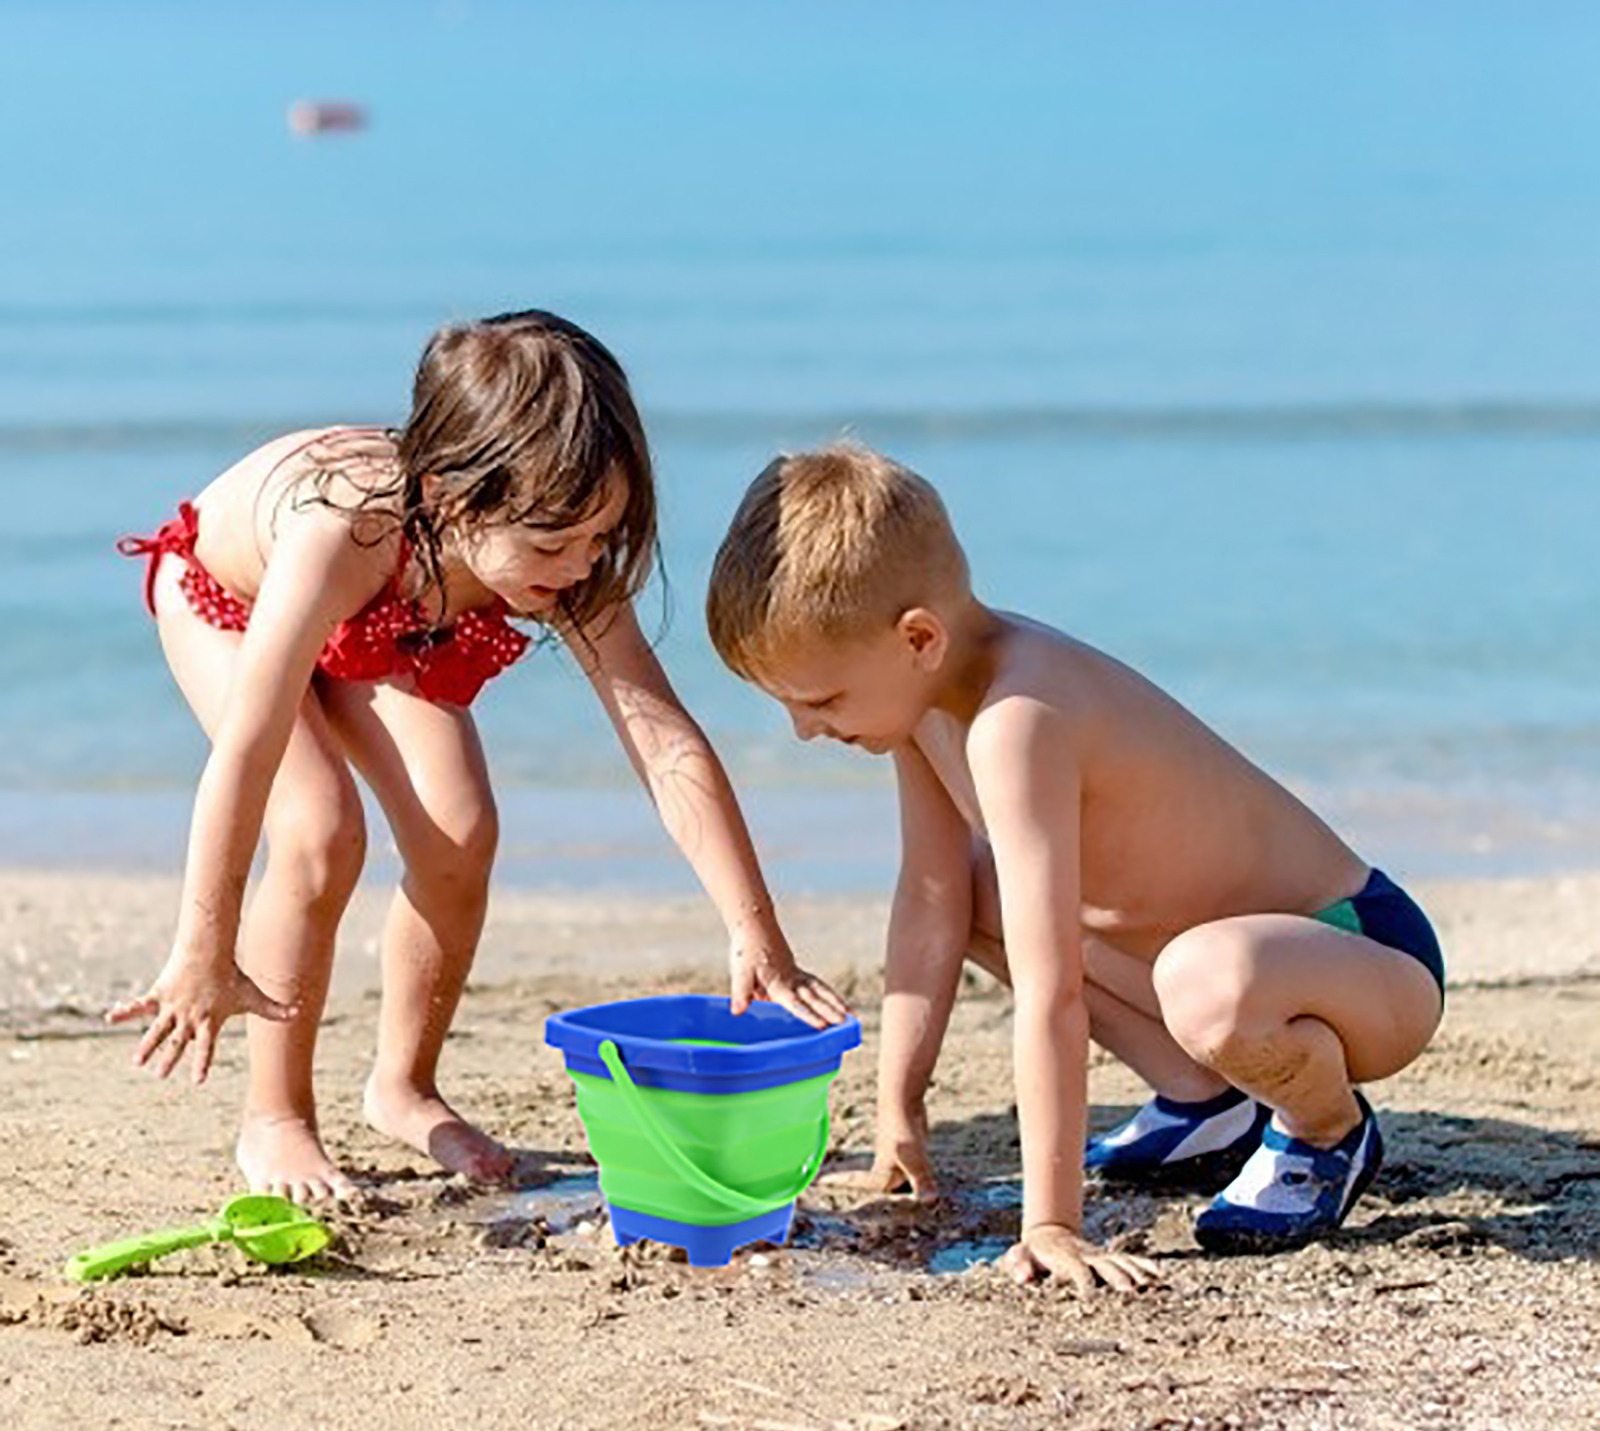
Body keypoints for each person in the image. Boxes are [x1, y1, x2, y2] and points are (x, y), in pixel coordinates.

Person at [110, 310, 846, 1204]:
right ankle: (276, 1116)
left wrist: (754, 929)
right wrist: (203, 945)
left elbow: (662, 739)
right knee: (319, 827)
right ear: (455, 498)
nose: (579, 566)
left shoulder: (562, 547)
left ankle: (403, 1087)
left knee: (459, 829)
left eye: (600, 538)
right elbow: (248, 748)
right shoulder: (342, 533)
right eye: (553, 545)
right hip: (230, 602)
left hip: (387, 620)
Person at [705, 442, 1445, 1289]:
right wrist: (897, 1111)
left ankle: (1324, 1128)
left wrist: (1051, 1224)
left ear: (918, 637)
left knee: (1203, 979)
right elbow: (932, 900)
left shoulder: (1020, 718)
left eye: (822, 701)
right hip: (1214, 975)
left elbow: (1050, 988)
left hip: (1360, 951)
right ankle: (1206, 1099)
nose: (805, 730)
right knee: (981, 888)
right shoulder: (924, 703)